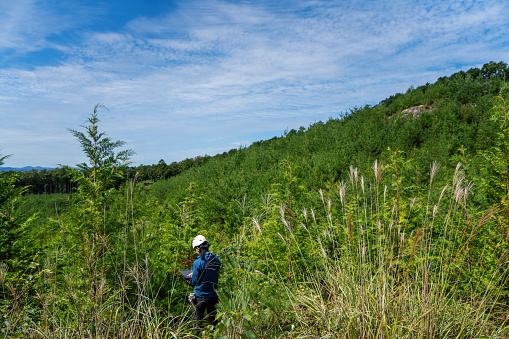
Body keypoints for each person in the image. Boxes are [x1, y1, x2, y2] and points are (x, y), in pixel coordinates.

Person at [187, 235, 221, 337]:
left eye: (195, 249)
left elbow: (194, 282)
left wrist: (191, 277)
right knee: (214, 323)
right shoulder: (216, 260)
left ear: (198, 248)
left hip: (200, 297)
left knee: (197, 324)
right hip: (213, 296)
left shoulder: (198, 263)